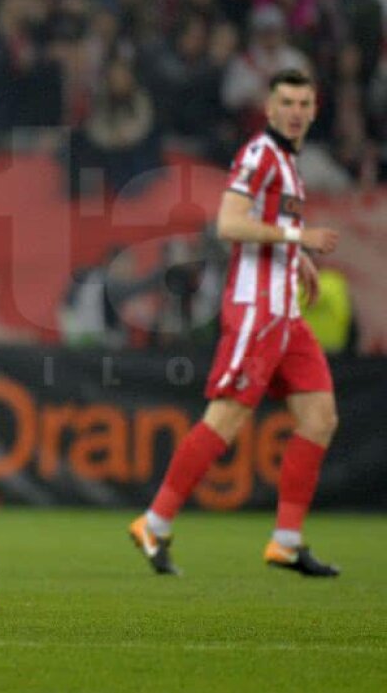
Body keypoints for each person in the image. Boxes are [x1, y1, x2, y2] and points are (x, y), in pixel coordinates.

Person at [129, 69, 342, 577]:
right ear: (268, 109)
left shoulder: (289, 164)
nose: (294, 110)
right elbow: (229, 223)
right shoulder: (259, 155)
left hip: (286, 313)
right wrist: (300, 240)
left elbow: (270, 231)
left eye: (304, 102)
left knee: (320, 417)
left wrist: (298, 258)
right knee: (224, 420)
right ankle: (154, 523)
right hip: (256, 312)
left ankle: (286, 542)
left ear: (314, 110)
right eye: (286, 101)